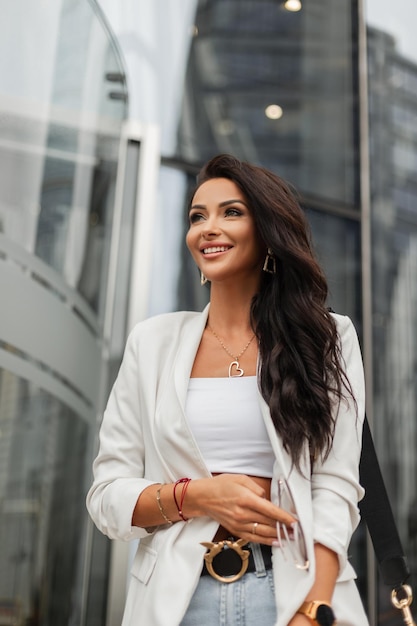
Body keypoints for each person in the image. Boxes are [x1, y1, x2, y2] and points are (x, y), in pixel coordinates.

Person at [86, 154, 369, 626]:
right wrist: (196, 496)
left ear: (268, 232)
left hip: (292, 590)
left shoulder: (327, 338)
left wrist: (311, 610)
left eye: (231, 212)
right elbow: (106, 497)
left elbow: (335, 487)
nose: (208, 228)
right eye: (198, 216)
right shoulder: (153, 342)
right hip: (177, 601)